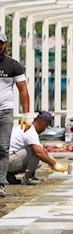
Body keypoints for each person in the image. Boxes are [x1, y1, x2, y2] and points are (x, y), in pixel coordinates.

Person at [0, 32, 32, 198]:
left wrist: (27, 114)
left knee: (3, 148)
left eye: (0, 43)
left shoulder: (13, 65)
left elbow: (23, 89)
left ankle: (0, 183)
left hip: (5, 112)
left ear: (5, 44)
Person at [6, 111, 64, 185]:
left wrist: (50, 159)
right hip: (7, 161)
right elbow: (39, 153)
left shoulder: (27, 127)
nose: (45, 129)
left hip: (6, 160)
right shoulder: (30, 131)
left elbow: (41, 151)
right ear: (44, 123)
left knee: (38, 162)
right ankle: (28, 178)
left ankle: (9, 174)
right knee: (35, 151)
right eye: (46, 126)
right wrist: (55, 165)